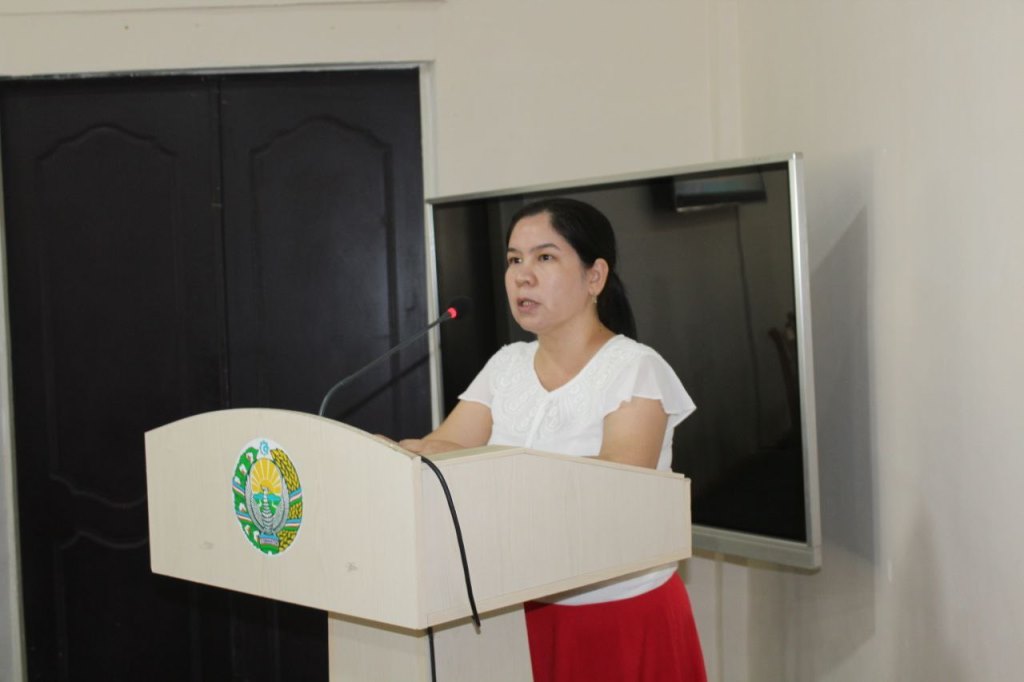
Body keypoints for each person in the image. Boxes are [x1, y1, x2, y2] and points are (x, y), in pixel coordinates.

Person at [399, 197, 707, 682]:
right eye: (513, 260)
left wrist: (492, 465)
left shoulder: (635, 369)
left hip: (616, 617)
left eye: (544, 257)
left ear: (595, 277)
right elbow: (445, 451)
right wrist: (396, 455)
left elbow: (611, 494)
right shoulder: (506, 365)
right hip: (516, 610)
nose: (522, 276)